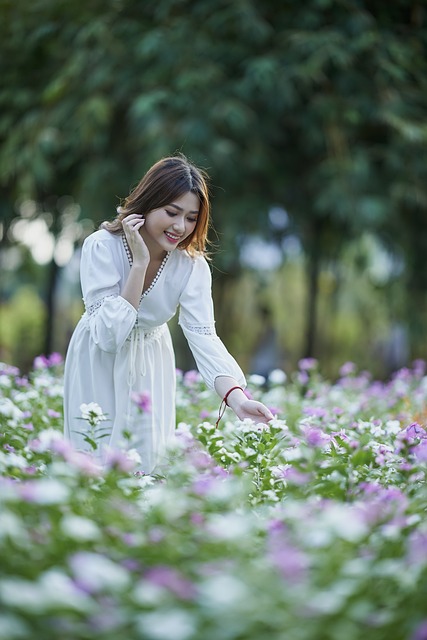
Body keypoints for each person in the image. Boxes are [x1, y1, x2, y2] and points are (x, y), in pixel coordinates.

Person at [63, 154, 274, 472]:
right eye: (171, 212)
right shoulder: (101, 247)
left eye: (191, 218)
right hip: (97, 362)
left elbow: (204, 336)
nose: (180, 227)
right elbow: (108, 336)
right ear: (147, 204)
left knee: (146, 464)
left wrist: (237, 398)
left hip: (151, 365)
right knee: (91, 457)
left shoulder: (191, 266)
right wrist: (138, 264)